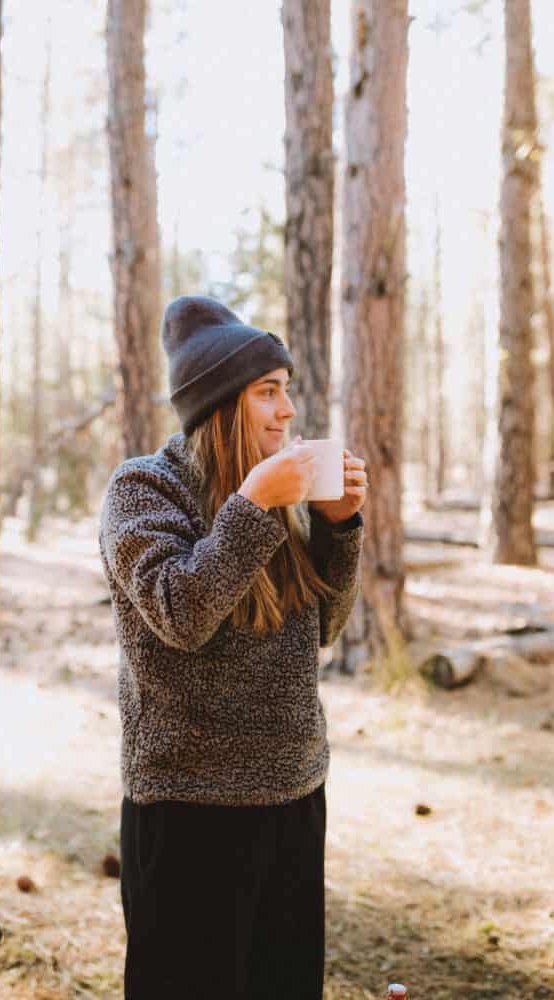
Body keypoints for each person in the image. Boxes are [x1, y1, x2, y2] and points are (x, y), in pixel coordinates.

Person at [99, 295, 369, 999]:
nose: (287, 412)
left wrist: (340, 528)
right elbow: (180, 613)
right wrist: (250, 508)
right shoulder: (142, 490)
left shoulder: (281, 492)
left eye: (287, 392)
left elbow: (322, 630)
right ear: (221, 405)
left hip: (293, 790)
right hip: (189, 807)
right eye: (268, 393)